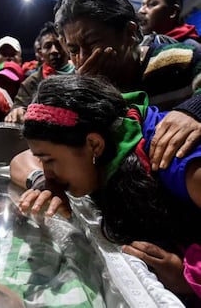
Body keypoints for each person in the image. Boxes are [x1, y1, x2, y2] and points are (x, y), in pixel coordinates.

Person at [18, 74, 201, 302]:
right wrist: (45, 185)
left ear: (94, 144)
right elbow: (21, 160)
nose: (47, 171)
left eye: (49, 160)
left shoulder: (176, 161)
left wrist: (189, 276)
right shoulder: (107, 131)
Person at [10, 0, 201, 188]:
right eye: (74, 50)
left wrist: (194, 110)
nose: (83, 59)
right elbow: (28, 158)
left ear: (130, 33)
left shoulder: (176, 60)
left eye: (92, 43)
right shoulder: (80, 91)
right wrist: (42, 181)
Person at [5, 22, 75, 124]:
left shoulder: (82, 73)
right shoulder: (32, 82)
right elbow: (19, 106)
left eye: (58, 45)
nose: (54, 51)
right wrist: (17, 112)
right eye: (48, 46)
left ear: (66, 46)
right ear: (41, 53)